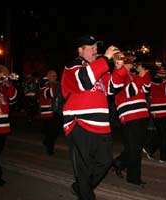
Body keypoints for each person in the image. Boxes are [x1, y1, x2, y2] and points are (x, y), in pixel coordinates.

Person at [61, 35, 127, 200]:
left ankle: (81, 187)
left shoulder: (99, 68)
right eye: (91, 47)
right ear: (80, 50)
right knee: (83, 168)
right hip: (79, 122)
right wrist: (105, 58)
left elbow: (113, 88)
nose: (96, 50)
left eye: (97, 47)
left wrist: (119, 69)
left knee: (105, 162)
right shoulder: (73, 65)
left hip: (101, 125)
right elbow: (84, 80)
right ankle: (85, 193)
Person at [112, 55, 151, 186]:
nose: (131, 64)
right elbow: (130, 91)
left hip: (141, 114)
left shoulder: (133, 76)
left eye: (132, 62)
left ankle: (119, 162)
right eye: (128, 62)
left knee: (135, 147)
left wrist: (145, 74)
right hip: (129, 115)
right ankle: (133, 177)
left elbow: (145, 88)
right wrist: (140, 77)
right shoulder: (118, 76)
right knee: (135, 148)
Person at [39, 69, 63, 155]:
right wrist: (53, 84)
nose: (55, 78)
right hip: (47, 112)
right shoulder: (44, 84)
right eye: (53, 76)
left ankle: (47, 141)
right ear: (48, 77)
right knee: (51, 132)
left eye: (56, 76)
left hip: (56, 111)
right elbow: (50, 94)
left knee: (56, 130)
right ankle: (50, 149)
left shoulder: (56, 84)